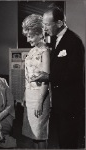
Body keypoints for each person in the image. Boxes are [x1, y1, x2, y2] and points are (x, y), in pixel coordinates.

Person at [33, 5, 85, 148]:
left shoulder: (73, 41)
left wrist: (47, 77)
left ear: (60, 23)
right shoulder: (57, 40)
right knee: (64, 139)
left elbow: (74, 73)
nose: (44, 28)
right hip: (61, 103)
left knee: (69, 141)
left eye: (47, 24)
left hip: (71, 104)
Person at [22, 14, 51, 149]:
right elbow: (28, 75)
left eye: (31, 36)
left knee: (40, 134)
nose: (28, 40)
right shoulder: (32, 51)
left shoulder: (45, 51)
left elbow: (46, 79)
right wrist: (24, 95)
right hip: (29, 95)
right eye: (27, 36)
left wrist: (40, 102)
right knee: (33, 133)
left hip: (40, 96)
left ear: (40, 33)